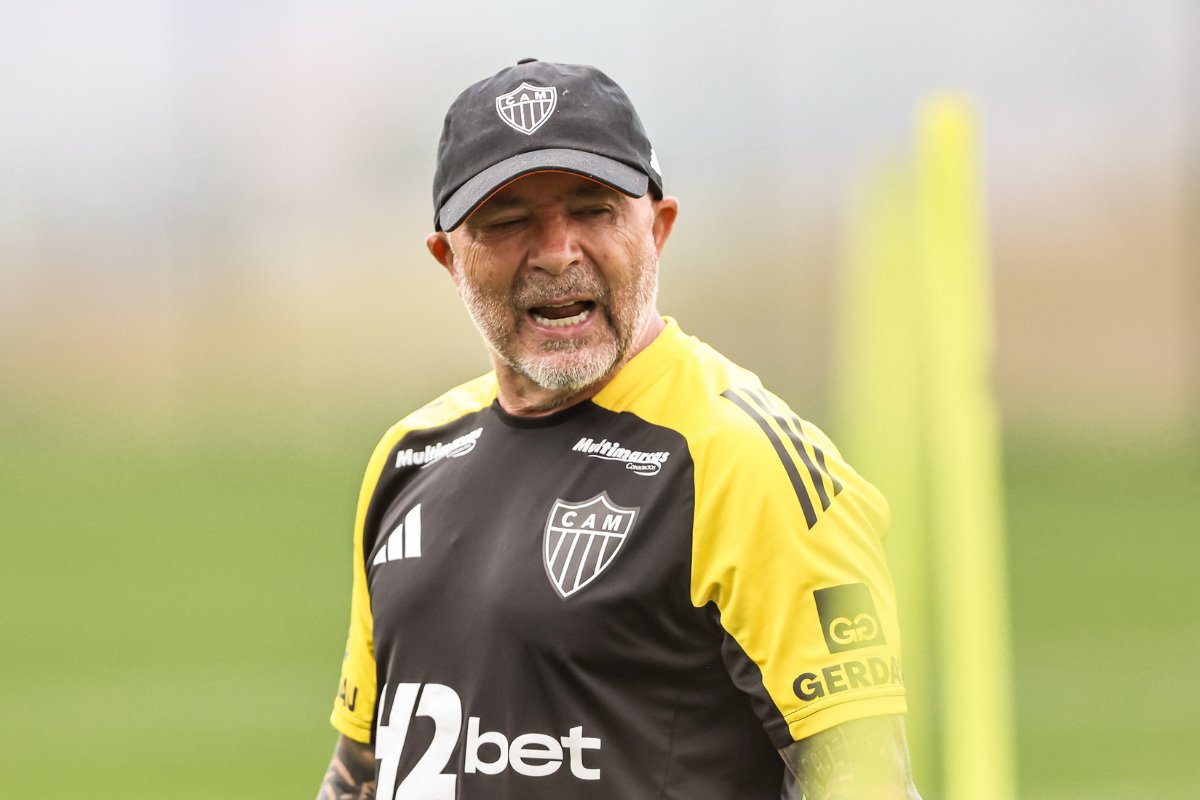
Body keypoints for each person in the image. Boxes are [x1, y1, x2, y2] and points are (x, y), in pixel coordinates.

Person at [317, 58, 921, 800]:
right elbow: (361, 771)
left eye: (593, 208)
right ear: (449, 258)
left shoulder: (740, 460)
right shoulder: (410, 459)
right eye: (507, 221)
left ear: (658, 229)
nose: (557, 251)